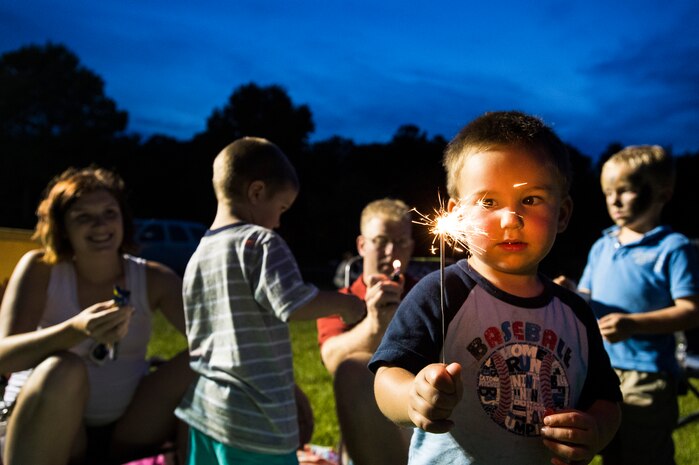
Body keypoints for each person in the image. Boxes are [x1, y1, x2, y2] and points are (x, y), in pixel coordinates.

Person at [369, 111, 623, 465]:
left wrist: (595, 428)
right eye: (488, 202)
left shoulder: (575, 313)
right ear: (457, 215)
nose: (510, 219)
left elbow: (607, 399)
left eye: (531, 199)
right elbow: (387, 376)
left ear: (562, 214)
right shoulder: (441, 292)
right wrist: (413, 395)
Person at [174, 137, 366, 465]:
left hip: (205, 412)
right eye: (281, 209)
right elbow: (291, 302)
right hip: (254, 420)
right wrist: (347, 305)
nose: (278, 222)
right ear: (257, 191)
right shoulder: (260, 241)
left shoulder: (199, 254)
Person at [0, 166, 193, 465]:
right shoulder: (41, 268)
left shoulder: (153, 278)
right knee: (63, 367)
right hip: (43, 425)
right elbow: (4, 357)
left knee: (203, 360)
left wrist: (288, 392)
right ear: (62, 227)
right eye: (83, 217)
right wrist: (74, 330)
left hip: (127, 429)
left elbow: (220, 342)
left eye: (109, 213)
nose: (100, 225)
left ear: (123, 220)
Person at [555, 145, 699, 465]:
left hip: (646, 376)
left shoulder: (674, 247)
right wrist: (571, 292)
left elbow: (691, 311)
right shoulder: (602, 245)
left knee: (641, 455)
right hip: (598, 369)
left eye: (626, 191)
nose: (614, 201)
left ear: (663, 193)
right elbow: (589, 298)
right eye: (608, 193)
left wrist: (633, 324)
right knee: (599, 449)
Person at [317, 198, 416, 465]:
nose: (391, 252)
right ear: (362, 245)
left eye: (401, 242)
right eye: (381, 241)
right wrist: (374, 322)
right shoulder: (343, 302)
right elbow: (334, 361)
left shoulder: (426, 294)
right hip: (373, 425)